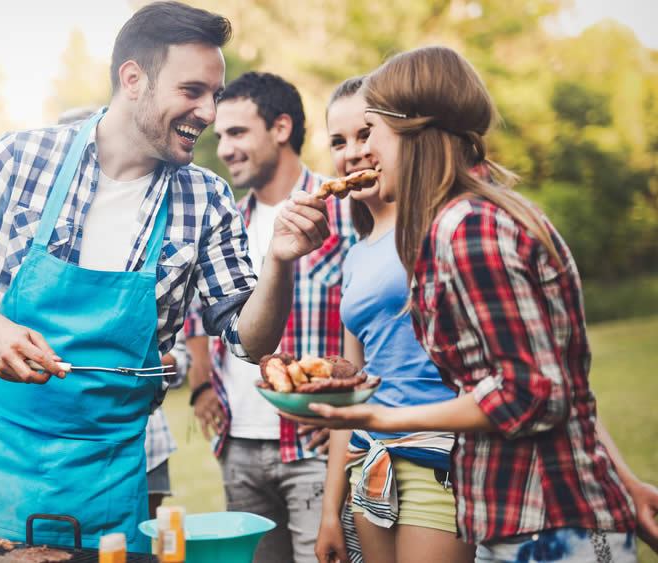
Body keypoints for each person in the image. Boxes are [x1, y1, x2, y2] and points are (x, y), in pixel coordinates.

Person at [0, 2, 335, 552]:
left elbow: (249, 340)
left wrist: (279, 261)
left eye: (214, 93)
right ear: (133, 79)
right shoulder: (22, 159)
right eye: (192, 91)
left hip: (108, 482)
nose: (208, 111)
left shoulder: (205, 199)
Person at [287, 46, 658, 561]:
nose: (366, 151)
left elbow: (534, 392)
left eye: (372, 131)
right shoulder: (470, 220)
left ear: (411, 129)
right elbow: (551, 380)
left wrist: (382, 421)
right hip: (514, 514)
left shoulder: (469, 229)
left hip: (550, 525)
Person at [184, 71, 358, 563]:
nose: (225, 150)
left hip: (314, 448)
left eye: (238, 133)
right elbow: (199, 311)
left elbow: (378, 320)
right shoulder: (225, 222)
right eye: (221, 137)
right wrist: (199, 387)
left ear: (281, 128)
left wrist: (349, 415)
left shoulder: (341, 206)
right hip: (238, 447)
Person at [313, 76, 473, 563]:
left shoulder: (440, 227)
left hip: (437, 460)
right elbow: (351, 387)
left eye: (365, 134)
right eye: (338, 142)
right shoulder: (355, 256)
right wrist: (328, 513)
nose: (354, 152)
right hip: (370, 465)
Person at [56, 105, 187, 520]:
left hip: (142, 444)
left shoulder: (146, 233)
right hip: (55, 443)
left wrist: (149, 365)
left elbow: (179, 357)